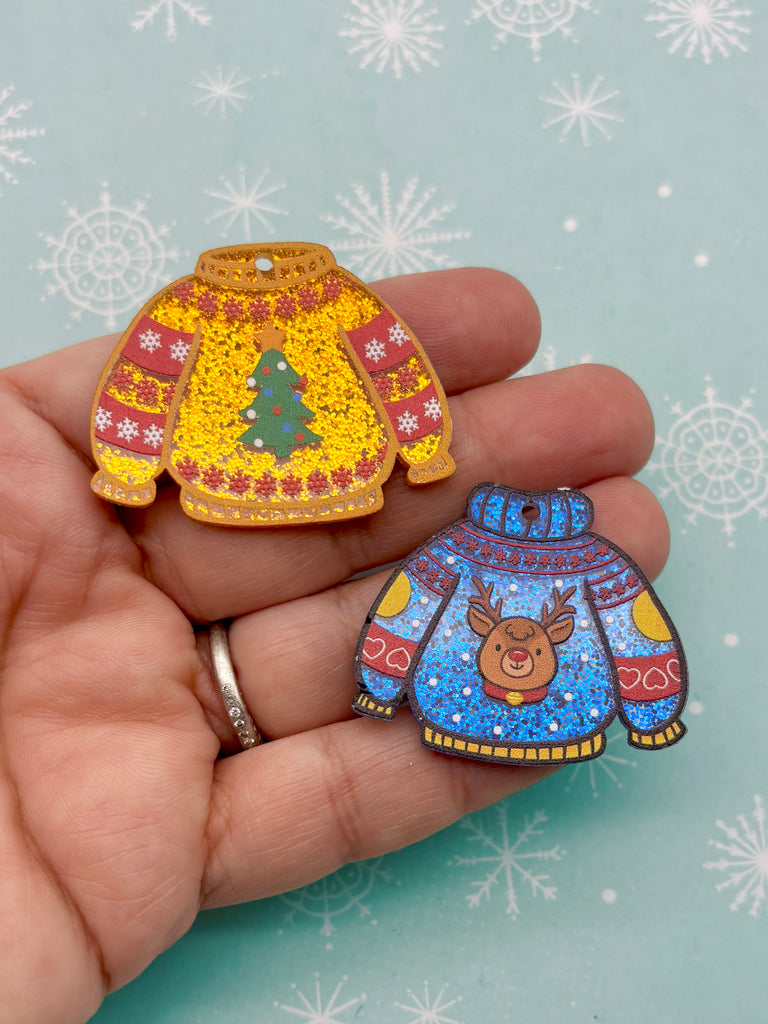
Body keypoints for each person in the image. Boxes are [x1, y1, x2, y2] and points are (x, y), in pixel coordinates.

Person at [0, 267, 668, 1024]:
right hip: (257, 489)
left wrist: (424, 455)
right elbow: (148, 376)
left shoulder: (538, 556)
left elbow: (393, 375)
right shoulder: (200, 306)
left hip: (350, 509)